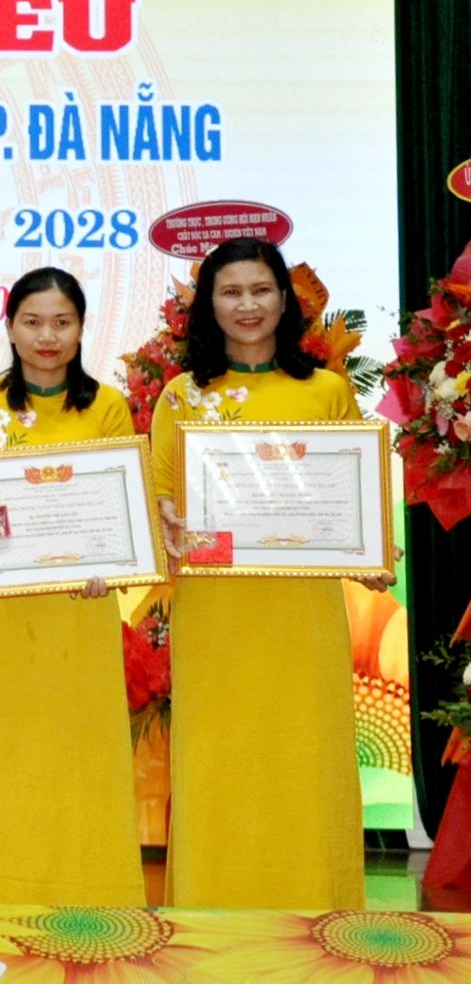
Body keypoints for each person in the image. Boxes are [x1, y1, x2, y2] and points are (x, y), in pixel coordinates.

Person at [151, 237, 388, 909]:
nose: (247, 305)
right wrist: (166, 521)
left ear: (286, 300)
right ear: (209, 306)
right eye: (231, 292)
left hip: (302, 619)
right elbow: (160, 498)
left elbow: (355, 498)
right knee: (219, 766)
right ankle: (210, 921)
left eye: (261, 290)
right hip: (217, 619)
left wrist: (369, 550)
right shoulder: (182, 396)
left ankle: (320, 915)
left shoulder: (327, 392)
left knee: (304, 765)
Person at [0, 267, 144, 904]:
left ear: (82, 328)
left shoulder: (108, 406)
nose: (47, 337)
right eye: (32, 322)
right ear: (9, 327)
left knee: (83, 763)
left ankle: (97, 899)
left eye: (62, 322)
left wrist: (108, 561)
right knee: (7, 767)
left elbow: (123, 510)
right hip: (3, 620)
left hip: (80, 615)